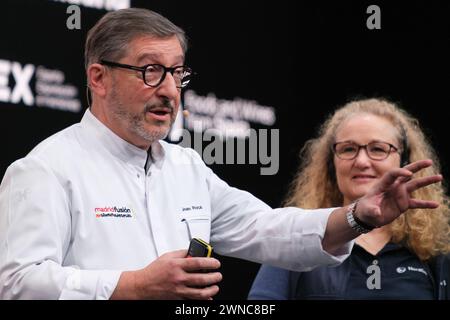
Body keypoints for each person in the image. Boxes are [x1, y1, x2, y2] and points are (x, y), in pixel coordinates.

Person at [0, 9, 442, 300]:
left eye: (177, 73)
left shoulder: (186, 166)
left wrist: (357, 217)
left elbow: (266, 228)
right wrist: (130, 285)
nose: (170, 91)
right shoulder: (46, 168)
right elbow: (17, 283)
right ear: (98, 77)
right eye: (151, 71)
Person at [248, 98, 450, 300]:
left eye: (378, 149)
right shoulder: (298, 238)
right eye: (348, 149)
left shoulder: (432, 251)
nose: (362, 161)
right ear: (330, 165)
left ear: (405, 161)